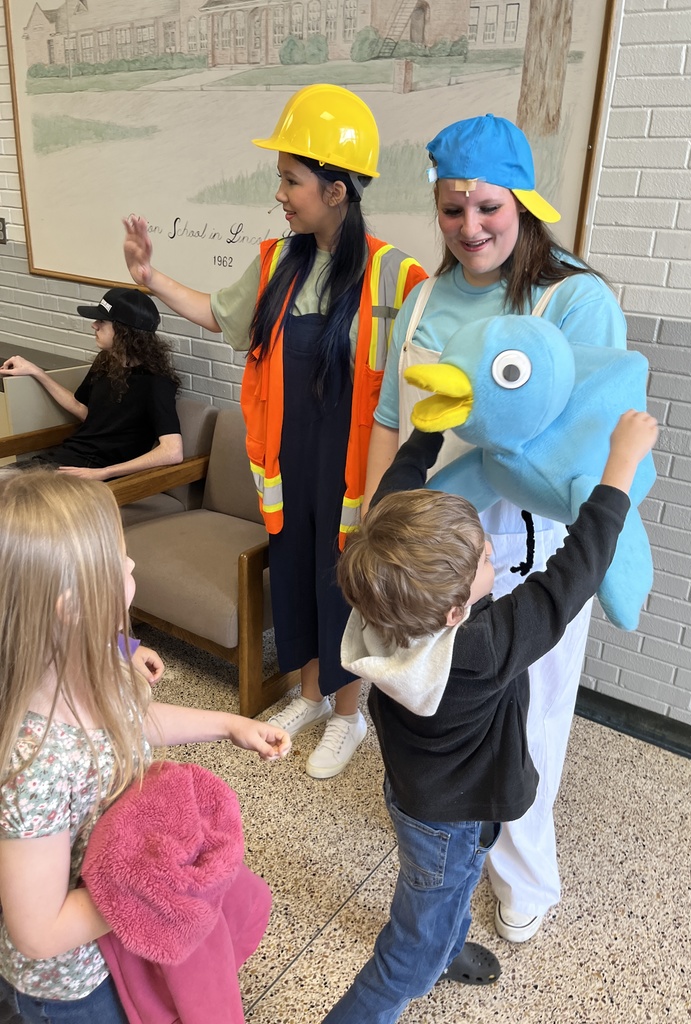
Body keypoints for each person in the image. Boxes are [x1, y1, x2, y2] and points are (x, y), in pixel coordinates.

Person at [363, 113, 629, 942]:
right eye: (451, 209)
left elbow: (591, 436)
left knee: (531, 715)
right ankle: (453, 830)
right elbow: (390, 421)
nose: (470, 227)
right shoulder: (421, 300)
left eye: (488, 208)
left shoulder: (573, 298)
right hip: (428, 548)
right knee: (432, 700)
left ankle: (525, 875)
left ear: (522, 202)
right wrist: (377, 528)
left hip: (526, 547)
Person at [122, 84, 427, 779]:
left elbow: (417, 388)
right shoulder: (276, 263)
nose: (282, 194)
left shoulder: (397, 276)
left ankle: (350, 716)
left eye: (291, 180)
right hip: (291, 464)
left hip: (358, 474)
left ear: (337, 188)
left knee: (347, 587)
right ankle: (312, 696)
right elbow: (222, 317)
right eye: (282, 180)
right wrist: (150, 278)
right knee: (296, 577)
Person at [324, 408, 658, 1024]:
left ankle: (445, 942)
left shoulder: (380, 592)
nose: (493, 559)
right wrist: (622, 465)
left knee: (446, 886)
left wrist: (429, 425)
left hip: (424, 795)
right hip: (448, 817)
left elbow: (398, 486)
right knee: (407, 953)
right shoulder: (478, 651)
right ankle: (404, 976)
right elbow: (570, 577)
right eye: (483, 558)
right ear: (453, 613)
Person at [0, 469, 291, 1024]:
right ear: (71, 606)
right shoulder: (33, 766)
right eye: (121, 558)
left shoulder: (98, 663)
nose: (133, 565)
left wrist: (228, 724)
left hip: (121, 942)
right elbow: (38, 933)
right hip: (75, 984)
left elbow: (132, 721)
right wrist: (150, 888)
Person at [0, 288, 183, 481]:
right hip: (66, 458)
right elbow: (82, 409)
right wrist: (36, 371)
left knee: (12, 497)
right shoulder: (106, 361)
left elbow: (173, 450)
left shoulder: (156, 382)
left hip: (93, 472)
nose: (93, 325)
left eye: (102, 321)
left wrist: (104, 473)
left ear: (124, 332)